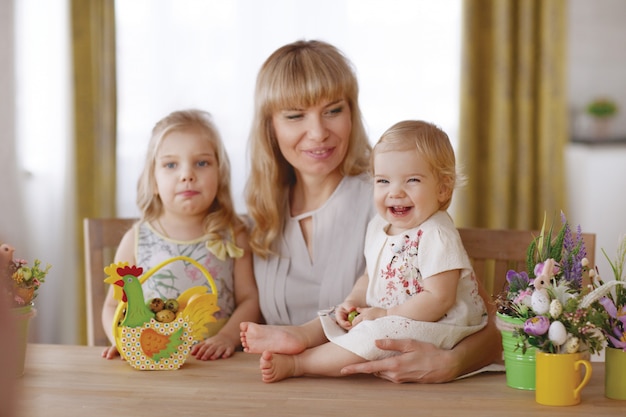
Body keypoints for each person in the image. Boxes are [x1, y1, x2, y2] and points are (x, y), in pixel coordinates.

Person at [242, 39, 501, 383]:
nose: (318, 133)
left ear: (352, 113)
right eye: (295, 115)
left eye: (333, 110)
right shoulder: (260, 211)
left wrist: (450, 363)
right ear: (270, 127)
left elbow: (487, 320)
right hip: (277, 394)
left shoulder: (395, 201)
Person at [101, 109, 260, 360]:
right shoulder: (136, 239)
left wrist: (228, 337)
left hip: (217, 363)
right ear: (153, 181)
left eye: (202, 163)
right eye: (171, 164)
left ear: (220, 174)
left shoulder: (233, 234)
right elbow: (113, 306)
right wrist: (122, 340)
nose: (187, 175)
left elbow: (250, 300)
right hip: (153, 360)